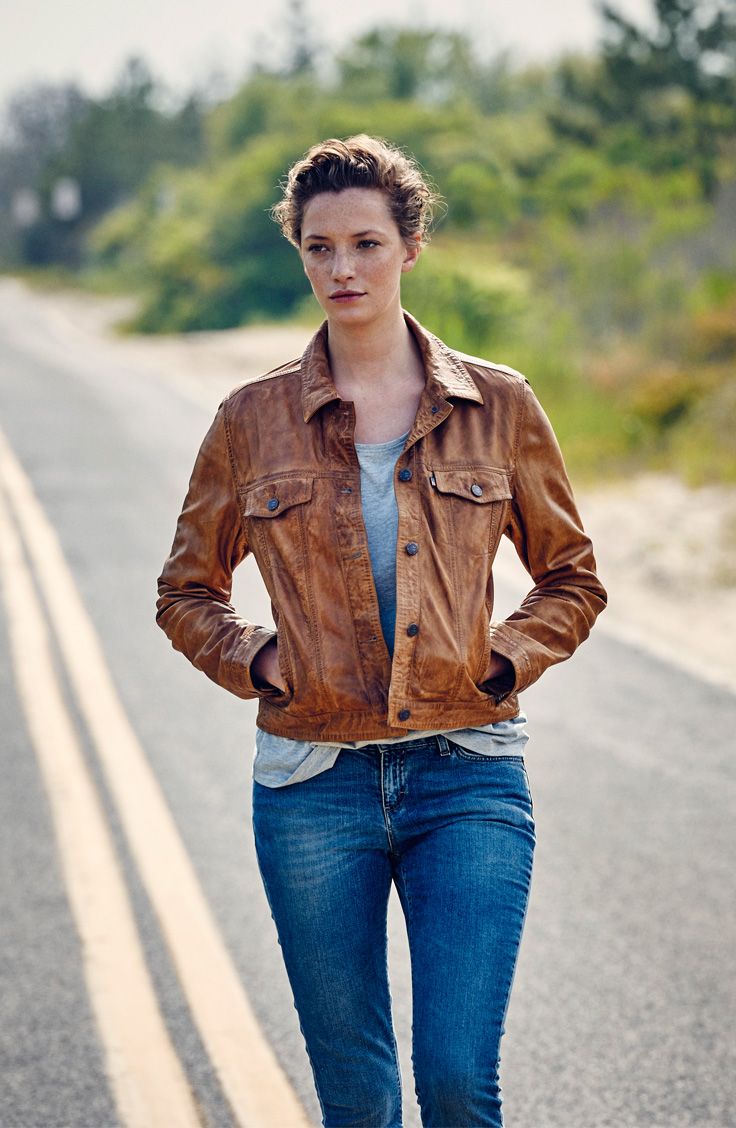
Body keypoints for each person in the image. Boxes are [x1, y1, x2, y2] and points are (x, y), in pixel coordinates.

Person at [156, 134, 607, 1127]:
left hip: (468, 774)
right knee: (359, 1098)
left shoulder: (500, 405)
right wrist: (260, 659)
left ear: (409, 247)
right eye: (318, 248)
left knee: (455, 1078)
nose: (341, 269)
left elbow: (571, 579)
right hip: (313, 787)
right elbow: (186, 592)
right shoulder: (249, 420)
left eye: (364, 243)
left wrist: (498, 659)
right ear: (299, 254)